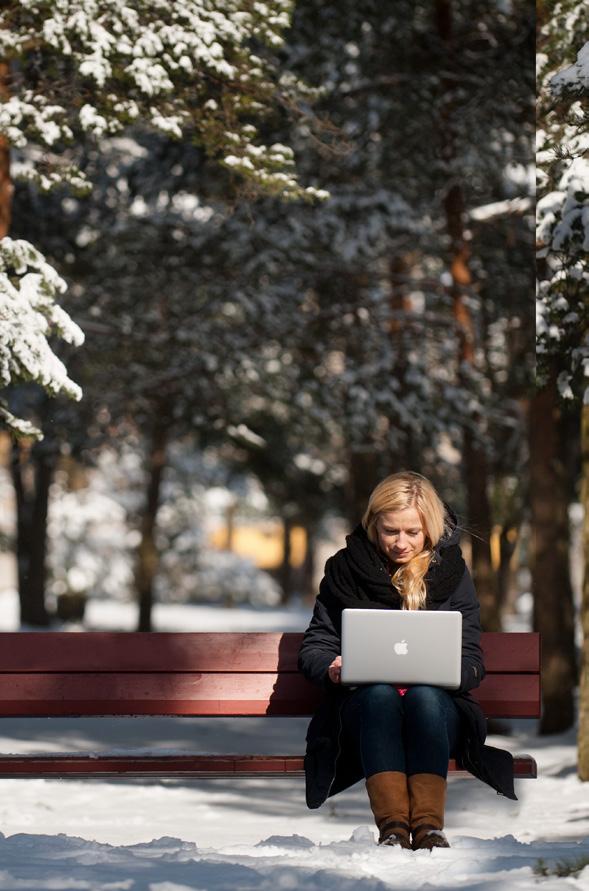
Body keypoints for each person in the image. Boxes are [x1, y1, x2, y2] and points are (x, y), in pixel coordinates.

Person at [298, 470, 516, 852]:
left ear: (429, 527)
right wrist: (332, 668)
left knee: (425, 698)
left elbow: (471, 657)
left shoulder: (451, 572)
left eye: (412, 532)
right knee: (380, 695)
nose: (401, 543)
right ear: (373, 525)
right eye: (390, 531)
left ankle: (429, 827)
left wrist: (452, 672)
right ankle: (393, 827)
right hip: (363, 711)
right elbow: (316, 645)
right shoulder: (344, 570)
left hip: (435, 712)